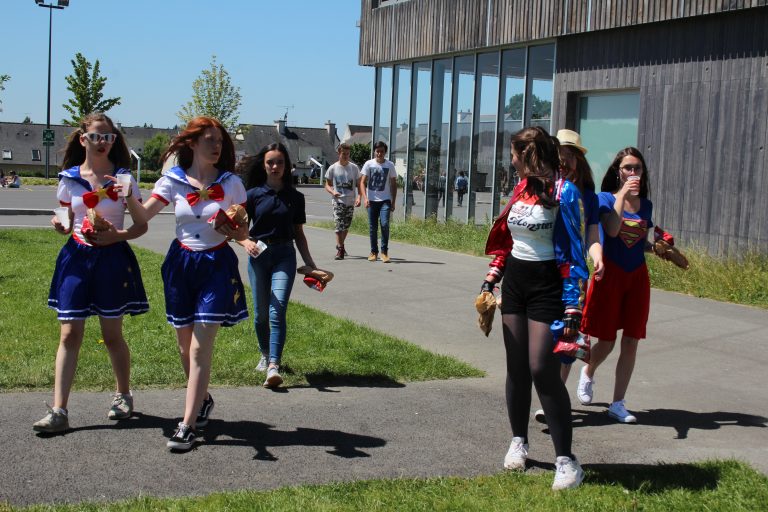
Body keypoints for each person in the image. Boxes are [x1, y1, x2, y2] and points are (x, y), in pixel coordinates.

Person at [124, 116, 249, 451]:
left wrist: (237, 228)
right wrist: (129, 195)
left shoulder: (232, 183)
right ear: (192, 143)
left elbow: (242, 230)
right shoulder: (173, 181)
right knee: (184, 347)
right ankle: (204, 400)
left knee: (199, 347)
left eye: (220, 140)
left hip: (216, 265)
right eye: (209, 140)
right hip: (181, 264)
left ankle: (187, 425)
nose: (217, 145)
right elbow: (143, 216)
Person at [481, 126, 588, 490]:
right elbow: (508, 242)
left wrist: (573, 306)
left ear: (529, 155)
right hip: (515, 284)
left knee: (542, 368)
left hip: (547, 287)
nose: (511, 161)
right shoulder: (521, 188)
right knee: (516, 368)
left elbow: (574, 253)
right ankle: (518, 442)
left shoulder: (565, 192)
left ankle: (567, 461)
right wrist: (491, 279)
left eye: (514, 155)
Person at [33, 112, 149, 434]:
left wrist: (117, 234)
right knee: (69, 334)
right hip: (76, 257)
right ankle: (59, 411)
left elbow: (141, 224)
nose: (103, 142)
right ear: (83, 139)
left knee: (112, 335)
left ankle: (123, 395)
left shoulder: (123, 178)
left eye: (108, 137)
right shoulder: (69, 178)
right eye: (96, 136)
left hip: (112, 258)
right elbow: (66, 219)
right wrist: (60, 224)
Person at [576, 147, 654, 424]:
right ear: (618, 172)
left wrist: (659, 247)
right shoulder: (605, 199)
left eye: (637, 168)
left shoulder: (646, 205)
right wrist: (622, 195)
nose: (633, 173)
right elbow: (611, 230)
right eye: (628, 168)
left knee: (631, 340)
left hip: (637, 277)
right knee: (607, 340)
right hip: (610, 275)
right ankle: (588, 371)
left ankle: (618, 403)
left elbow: (637, 240)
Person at [533, 129, 605, 423]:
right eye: (559, 153)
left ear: (578, 160)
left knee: (566, 338)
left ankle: (553, 401)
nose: (563, 160)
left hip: (572, 274)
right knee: (543, 338)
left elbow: (591, 236)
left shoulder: (587, 196)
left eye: (569, 154)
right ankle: (552, 398)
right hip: (543, 269)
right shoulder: (543, 188)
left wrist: (597, 256)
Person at [238, 143, 318, 388]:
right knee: (261, 314)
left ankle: (274, 364)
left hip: (285, 255)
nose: (275, 166)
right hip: (259, 256)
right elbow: (239, 229)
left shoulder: (296, 197)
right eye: (270, 162)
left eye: (280, 162)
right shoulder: (252, 195)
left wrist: (311, 263)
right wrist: (246, 242)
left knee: (277, 310)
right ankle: (264, 353)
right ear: (263, 165)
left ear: (287, 165)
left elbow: (299, 234)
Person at [360, 141, 397, 263]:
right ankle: (373, 252)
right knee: (373, 227)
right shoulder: (368, 164)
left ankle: (384, 252)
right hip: (371, 200)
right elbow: (362, 182)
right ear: (374, 152)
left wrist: (393, 201)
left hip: (385, 200)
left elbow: (393, 184)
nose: (379, 153)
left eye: (382, 151)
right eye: (377, 151)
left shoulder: (390, 165)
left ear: (385, 152)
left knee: (385, 224)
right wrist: (365, 198)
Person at [324, 143, 361, 260]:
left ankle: (340, 244)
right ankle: (340, 249)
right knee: (338, 225)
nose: (346, 156)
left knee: (346, 226)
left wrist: (359, 197)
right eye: (343, 154)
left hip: (350, 200)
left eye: (348, 154)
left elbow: (359, 184)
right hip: (338, 200)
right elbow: (327, 185)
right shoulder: (333, 168)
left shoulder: (354, 168)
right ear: (339, 153)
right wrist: (332, 191)